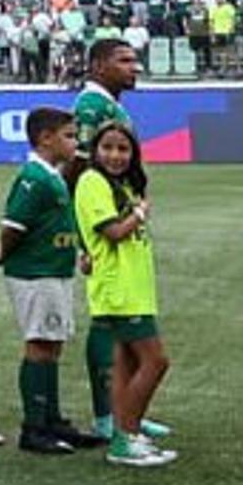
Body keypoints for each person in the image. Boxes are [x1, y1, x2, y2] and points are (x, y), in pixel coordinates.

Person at [75, 115, 171, 466]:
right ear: (95, 151)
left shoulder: (124, 185)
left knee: (126, 365)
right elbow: (112, 232)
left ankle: (126, 434)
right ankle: (125, 436)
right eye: (108, 148)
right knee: (156, 361)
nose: (116, 155)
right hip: (119, 290)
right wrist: (140, 215)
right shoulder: (92, 181)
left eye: (123, 149)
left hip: (133, 286)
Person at [0, 102, 86, 454]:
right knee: (40, 343)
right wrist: (4, 252)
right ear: (45, 139)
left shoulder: (50, 175)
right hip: (36, 272)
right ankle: (34, 427)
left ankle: (51, 418)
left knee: (52, 341)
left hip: (54, 270)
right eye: (69, 136)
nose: (75, 142)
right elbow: (13, 225)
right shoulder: (34, 178)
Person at [67, 34, 142, 443]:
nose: (135, 67)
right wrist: (85, 241)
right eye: (124, 60)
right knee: (107, 321)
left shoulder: (108, 106)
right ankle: (107, 415)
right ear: (98, 66)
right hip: (102, 231)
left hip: (120, 225)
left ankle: (125, 408)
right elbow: (78, 174)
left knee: (124, 319)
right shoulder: (91, 106)